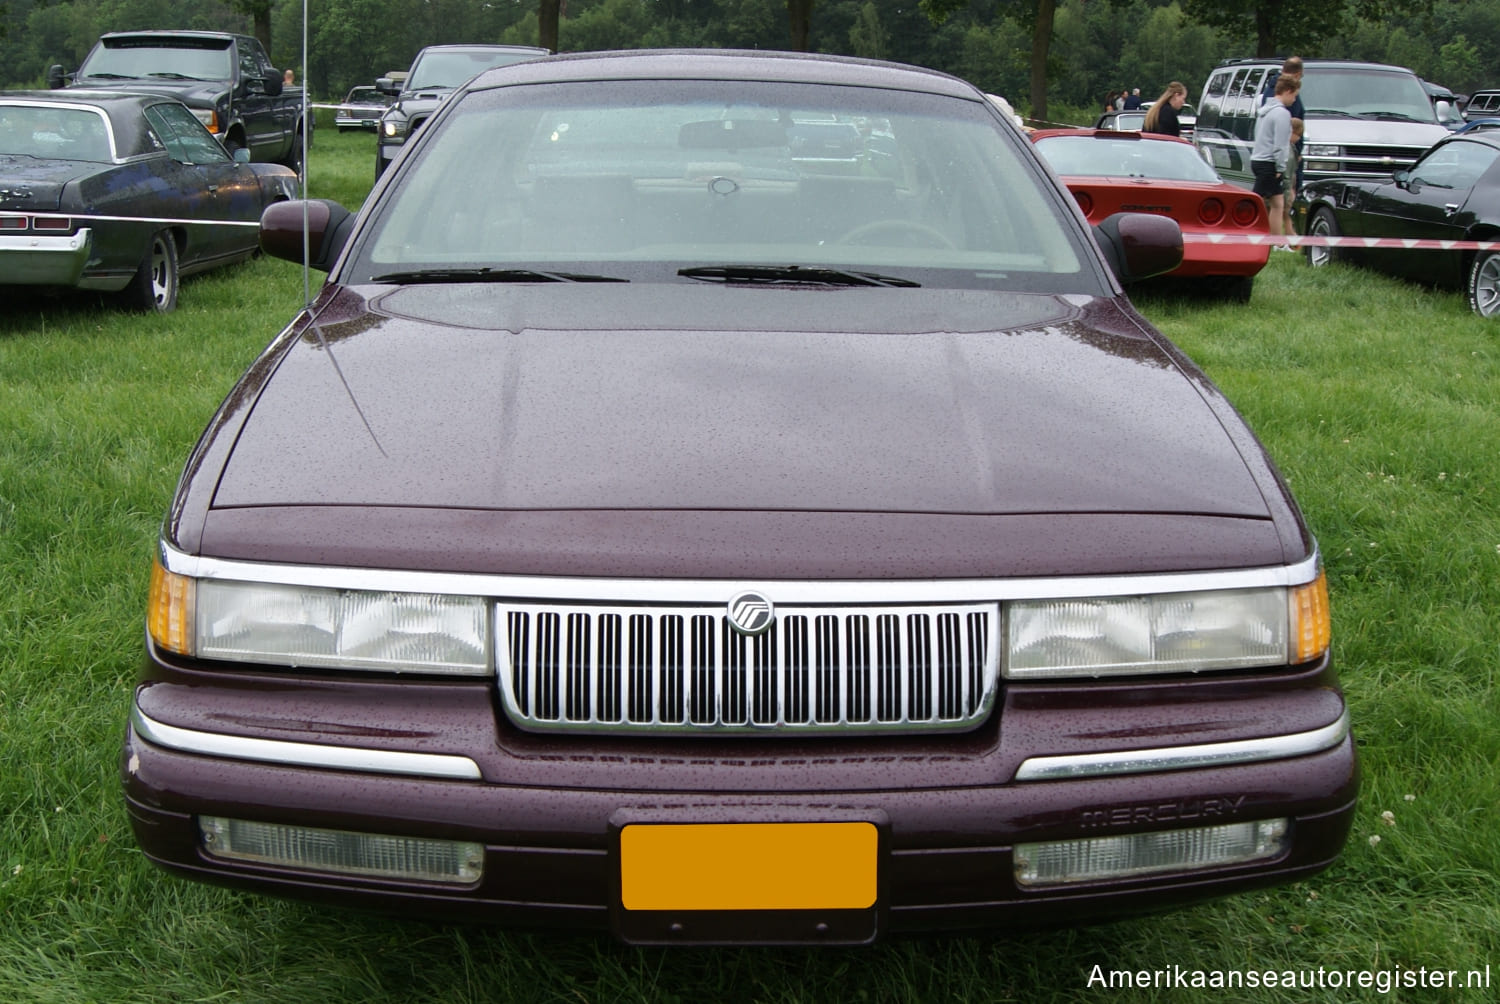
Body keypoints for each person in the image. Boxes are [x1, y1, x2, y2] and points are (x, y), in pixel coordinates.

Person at [1251, 74, 1300, 246]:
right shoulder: (1282, 114)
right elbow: (1280, 144)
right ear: (1287, 91)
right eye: (1294, 96)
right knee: (1260, 202)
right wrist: (1280, 167)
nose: (1294, 100)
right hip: (1269, 162)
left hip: (1258, 159)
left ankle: (1274, 241)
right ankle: (1275, 242)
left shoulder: (1265, 110)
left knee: (1275, 202)